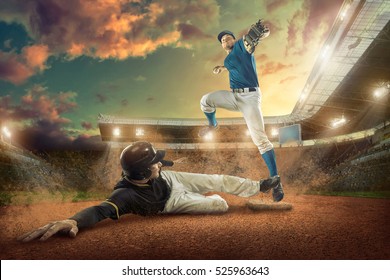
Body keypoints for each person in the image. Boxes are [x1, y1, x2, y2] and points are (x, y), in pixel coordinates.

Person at [18, 141, 280, 242]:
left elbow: (158, 166)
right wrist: (73, 220)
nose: (158, 162)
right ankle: (205, 199)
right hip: (170, 202)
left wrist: (161, 165)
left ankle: (258, 187)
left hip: (172, 179)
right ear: (142, 174)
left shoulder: (148, 171)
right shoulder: (126, 195)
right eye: (153, 162)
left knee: (217, 179)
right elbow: (100, 210)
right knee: (219, 205)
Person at [198, 19, 284, 202]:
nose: (226, 40)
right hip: (234, 97)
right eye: (222, 40)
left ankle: (276, 181)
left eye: (228, 37)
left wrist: (259, 34)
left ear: (234, 40)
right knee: (206, 100)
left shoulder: (241, 46)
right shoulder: (228, 58)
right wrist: (221, 68)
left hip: (250, 99)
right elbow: (231, 65)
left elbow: (250, 43)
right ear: (222, 46)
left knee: (260, 139)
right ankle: (212, 125)